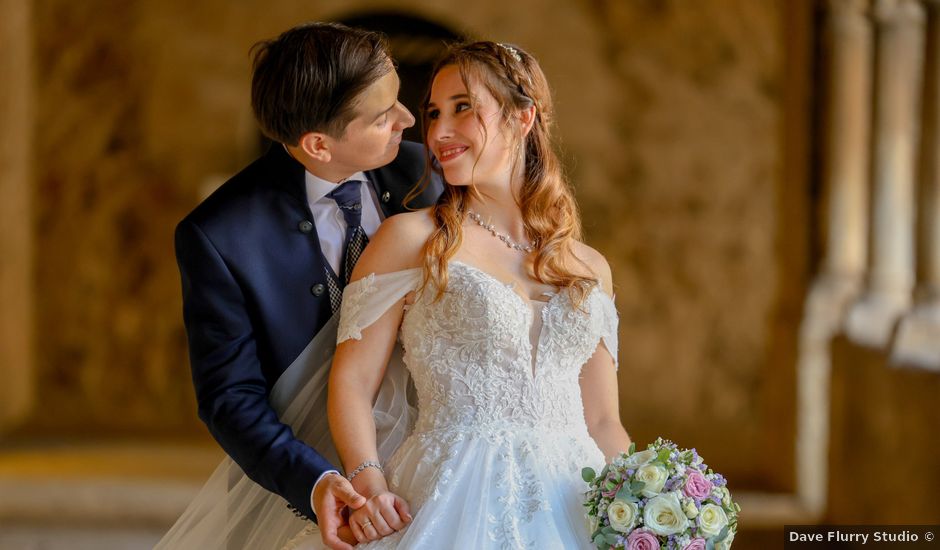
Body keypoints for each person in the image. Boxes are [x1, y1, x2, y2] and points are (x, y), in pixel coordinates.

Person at [283, 40, 631, 550]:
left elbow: (602, 420)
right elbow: (353, 381)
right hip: (449, 498)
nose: (439, 132)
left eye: (463, 108)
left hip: (577, 501)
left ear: (522, 117)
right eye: (433, 113)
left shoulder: (589, 267)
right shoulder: (408, 240)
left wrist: (649, 502)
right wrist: (369, 483)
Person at [158, 22, 441, 550]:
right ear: (317, 144)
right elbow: (229, 397)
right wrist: (314, 484)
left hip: (437, 468)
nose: (408, 119)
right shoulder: (219, 235)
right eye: (384, 117)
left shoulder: (434, 178)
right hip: (310, 490)